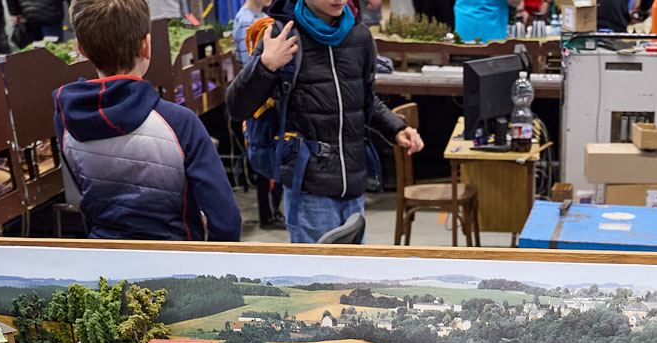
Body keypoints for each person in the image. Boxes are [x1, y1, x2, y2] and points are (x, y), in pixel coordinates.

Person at [227, 0, 424, 243]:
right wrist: (265, 65)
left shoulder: (358, 35)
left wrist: (396, 128)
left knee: (353, 265)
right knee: (317, 267)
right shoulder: (282, 35)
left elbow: (364, 99)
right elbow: (237, 108)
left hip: (353, 185)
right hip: (308, 188)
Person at [54, 0, 242, 240]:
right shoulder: (180, 123)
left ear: (81, 48)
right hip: (175, 258)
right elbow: (226, 220)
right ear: (146, 45)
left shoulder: (67, 118)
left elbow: (85, 198)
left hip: (104, 255)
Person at [231, 0, 286, 229]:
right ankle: (267, 215)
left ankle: (275, 210)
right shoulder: (245, 21)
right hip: (260, 104)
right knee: (264, 156)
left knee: (275, 153)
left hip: (270, 101)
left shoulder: (262, 16)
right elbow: (252, 66)